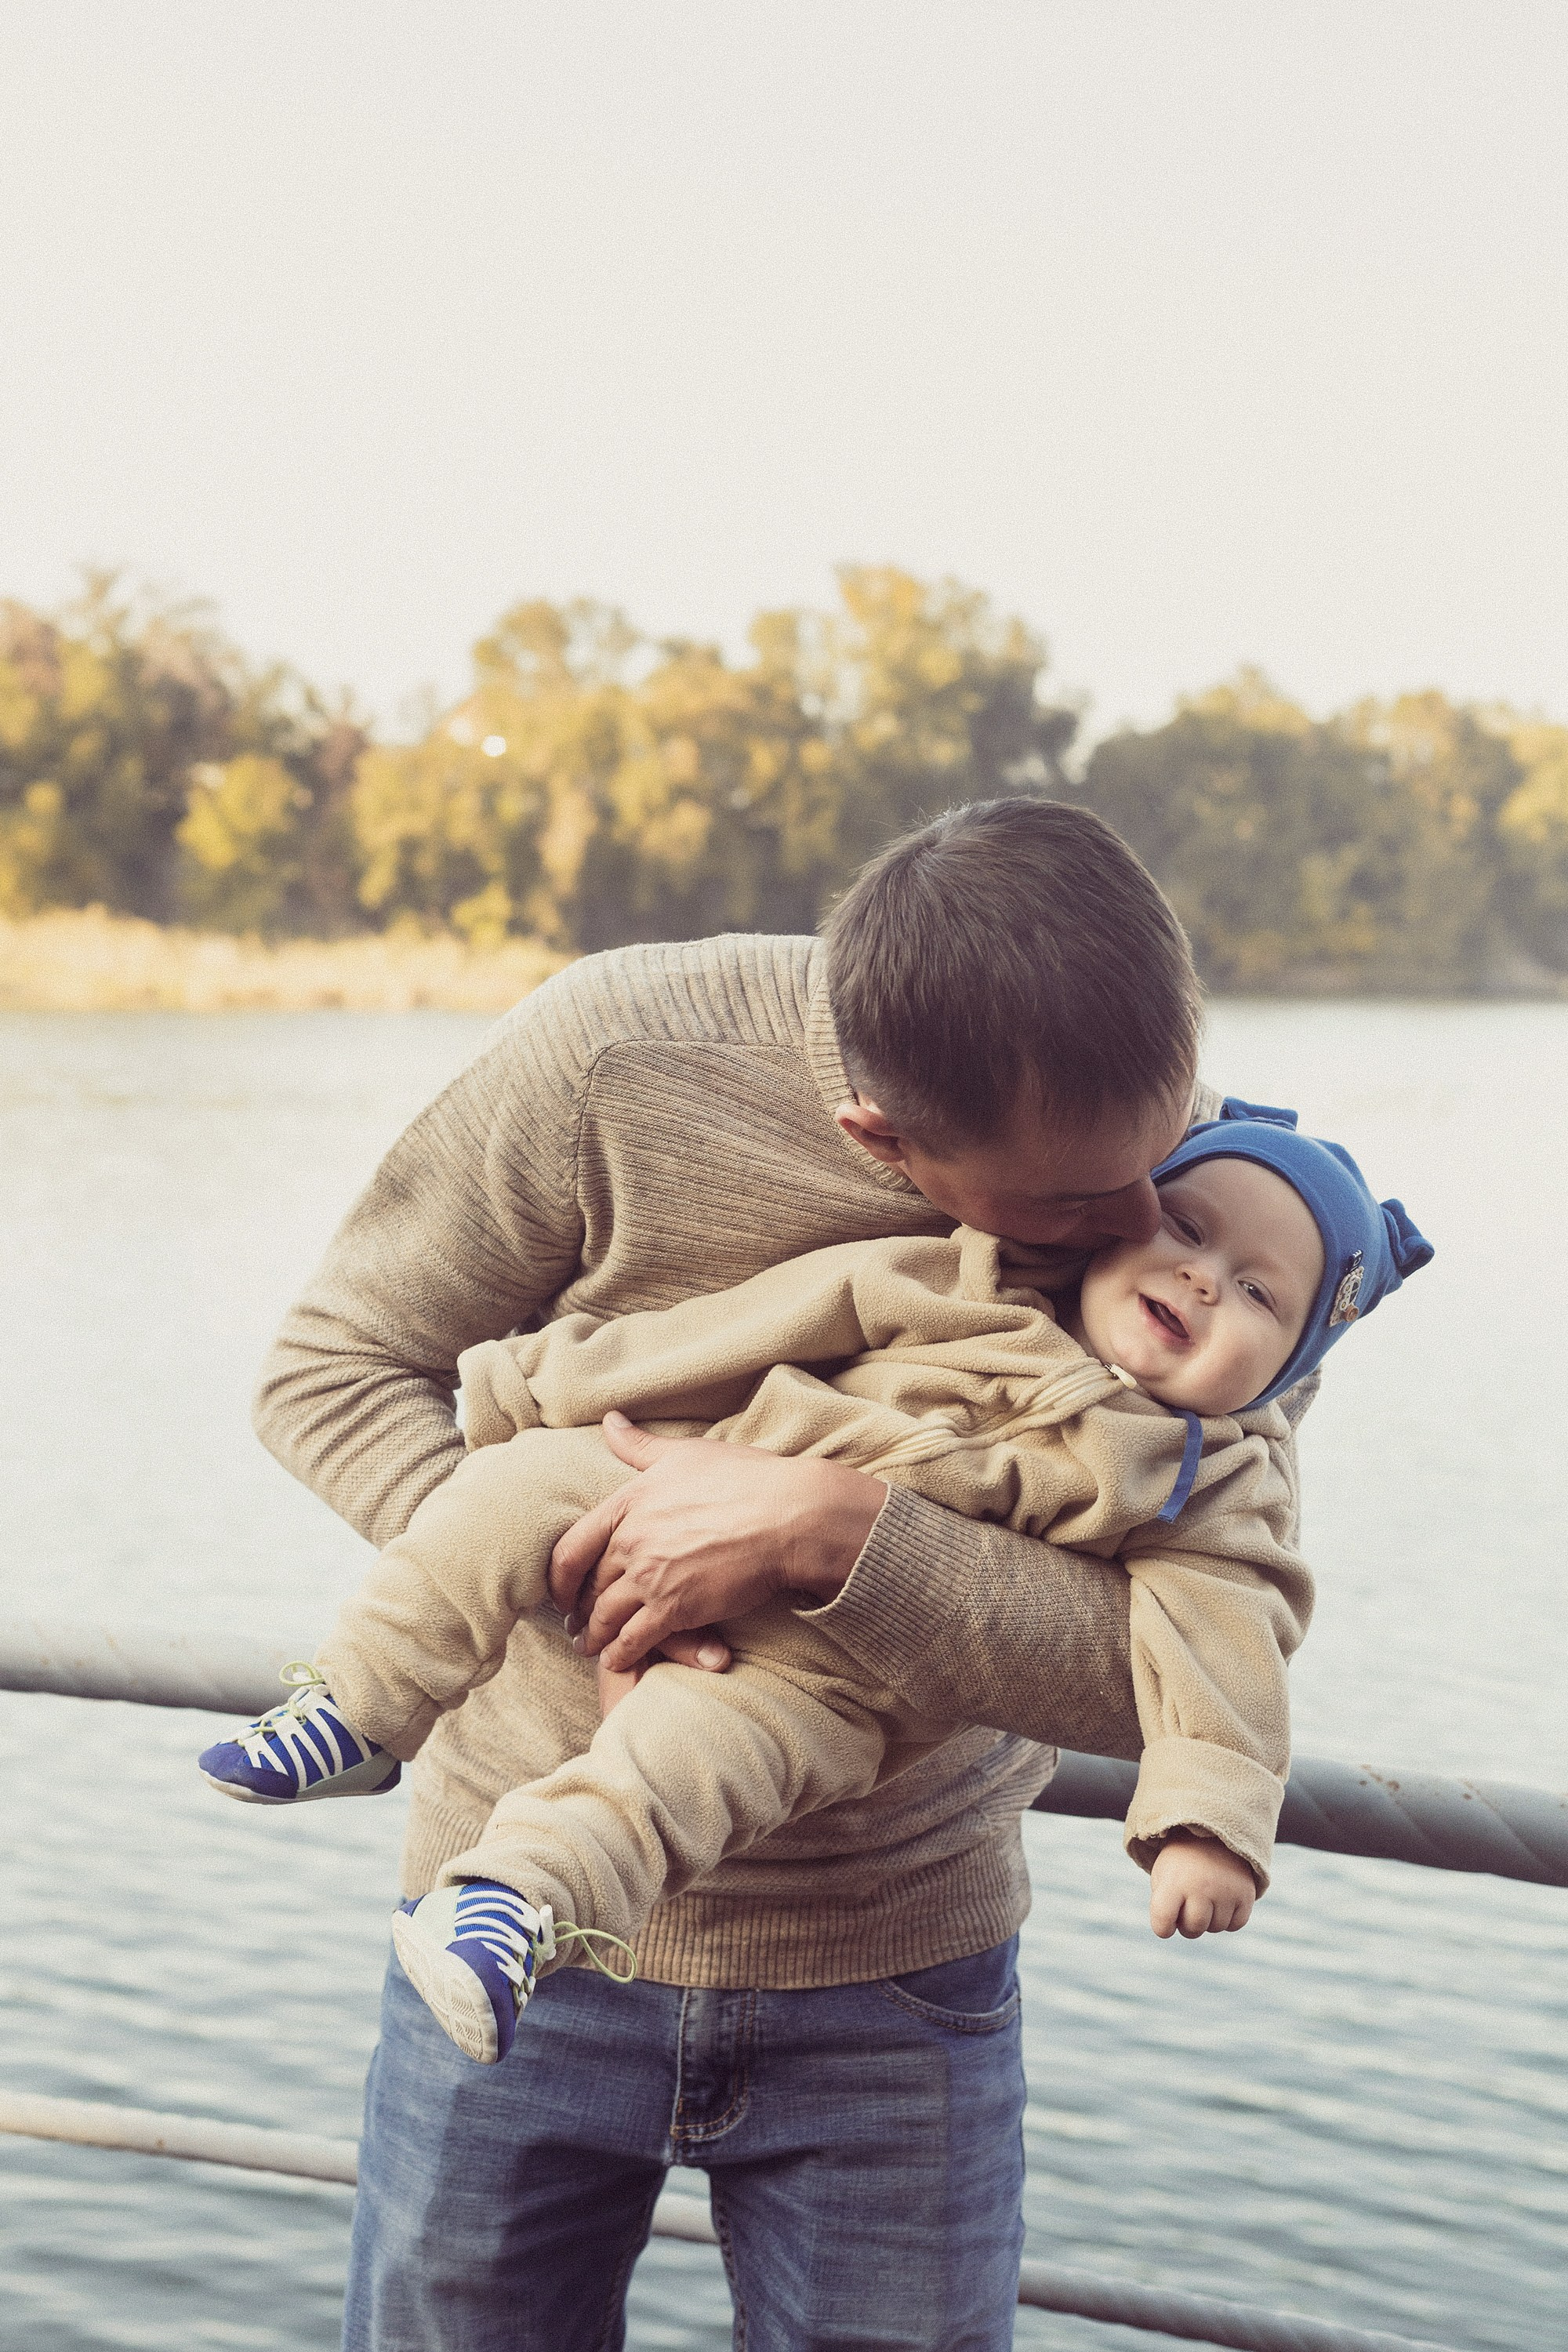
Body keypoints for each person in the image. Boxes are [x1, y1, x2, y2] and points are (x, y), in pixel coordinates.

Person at [250, 799, 1301, 2351]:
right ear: (881, 1141)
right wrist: (602, 1581)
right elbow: (330, 1372)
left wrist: (830, 1541)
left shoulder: (1205, 1191)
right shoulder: (613, 1055)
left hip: (900, 1981)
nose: (1146, 1224)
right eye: (1075, 1210)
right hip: (502, 1937)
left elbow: (1179, 1662)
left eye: (1160, 1161)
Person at [202, 1107, 1430, 2078]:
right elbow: (749, 1325)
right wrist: (547, 1390)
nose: (1207, 1280)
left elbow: (1224, 1644)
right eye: (1188, 1231)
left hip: (826, 1678)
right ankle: (363, 1709)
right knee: (508, 1492)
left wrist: (1209, 1821)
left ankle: (513, 1903)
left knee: (679, 1769)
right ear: (1114, 1223)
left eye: (1261, 1295)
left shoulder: (1202, 1483)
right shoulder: (960, 1280)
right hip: (690, 1468)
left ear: (1290, 1370)